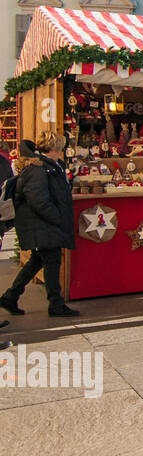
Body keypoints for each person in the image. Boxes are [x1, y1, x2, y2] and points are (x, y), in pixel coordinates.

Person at [0, 133, 79, 318]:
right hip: (42, 223)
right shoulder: (39, 168)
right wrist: (57, 216)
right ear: (56, 147)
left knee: (37, 260)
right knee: (51, 261)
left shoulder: (45, 166)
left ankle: (11, 296)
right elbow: (38, 200)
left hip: (41, 223)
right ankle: (56, 304)